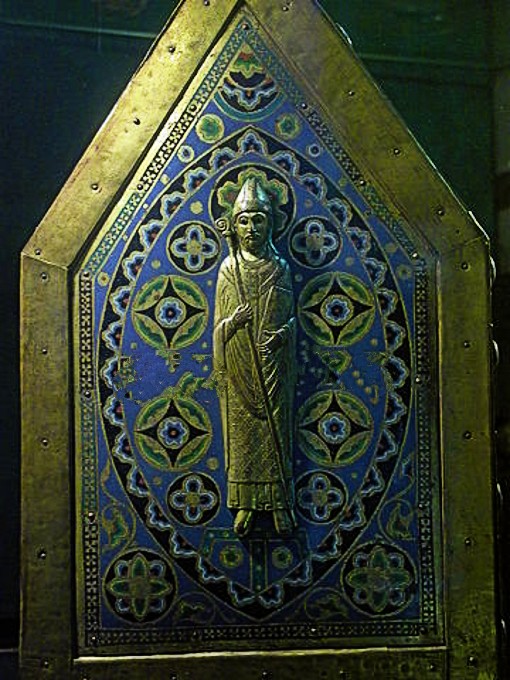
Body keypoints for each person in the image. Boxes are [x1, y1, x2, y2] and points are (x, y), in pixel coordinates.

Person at [214, 177, 296, 536]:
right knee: (243, 438)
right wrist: (235, 321)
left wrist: (282, 337)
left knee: (276, 433)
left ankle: (278, 503)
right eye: (244, 221)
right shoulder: (229, 269)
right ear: (234, 225)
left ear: (271, 223)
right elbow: (218, 328)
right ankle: (245, 503)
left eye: (259, 220)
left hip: (273, 366)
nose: (251, 228)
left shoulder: (280, 268)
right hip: (240, 367)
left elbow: (292, 320)